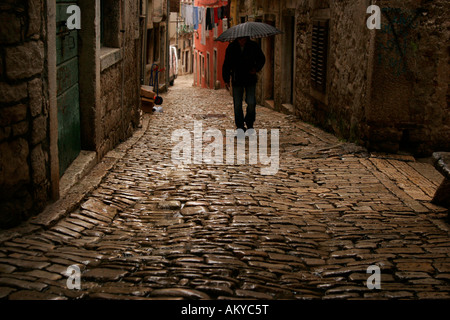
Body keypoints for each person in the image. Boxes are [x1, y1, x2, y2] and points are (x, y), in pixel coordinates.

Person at [222, 36, 266, 131]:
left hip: (250, 78)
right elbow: (226, 64)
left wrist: (256, 68)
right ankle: (240, 126)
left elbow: (262, 59)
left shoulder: (253, 46)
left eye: (244, 39)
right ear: (237, 39)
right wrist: (226, 79)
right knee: (237, 104)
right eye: (240, 39)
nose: (242, 41)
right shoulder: (231, 48)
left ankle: (249, 122)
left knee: (251, 102)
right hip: (237, 79)